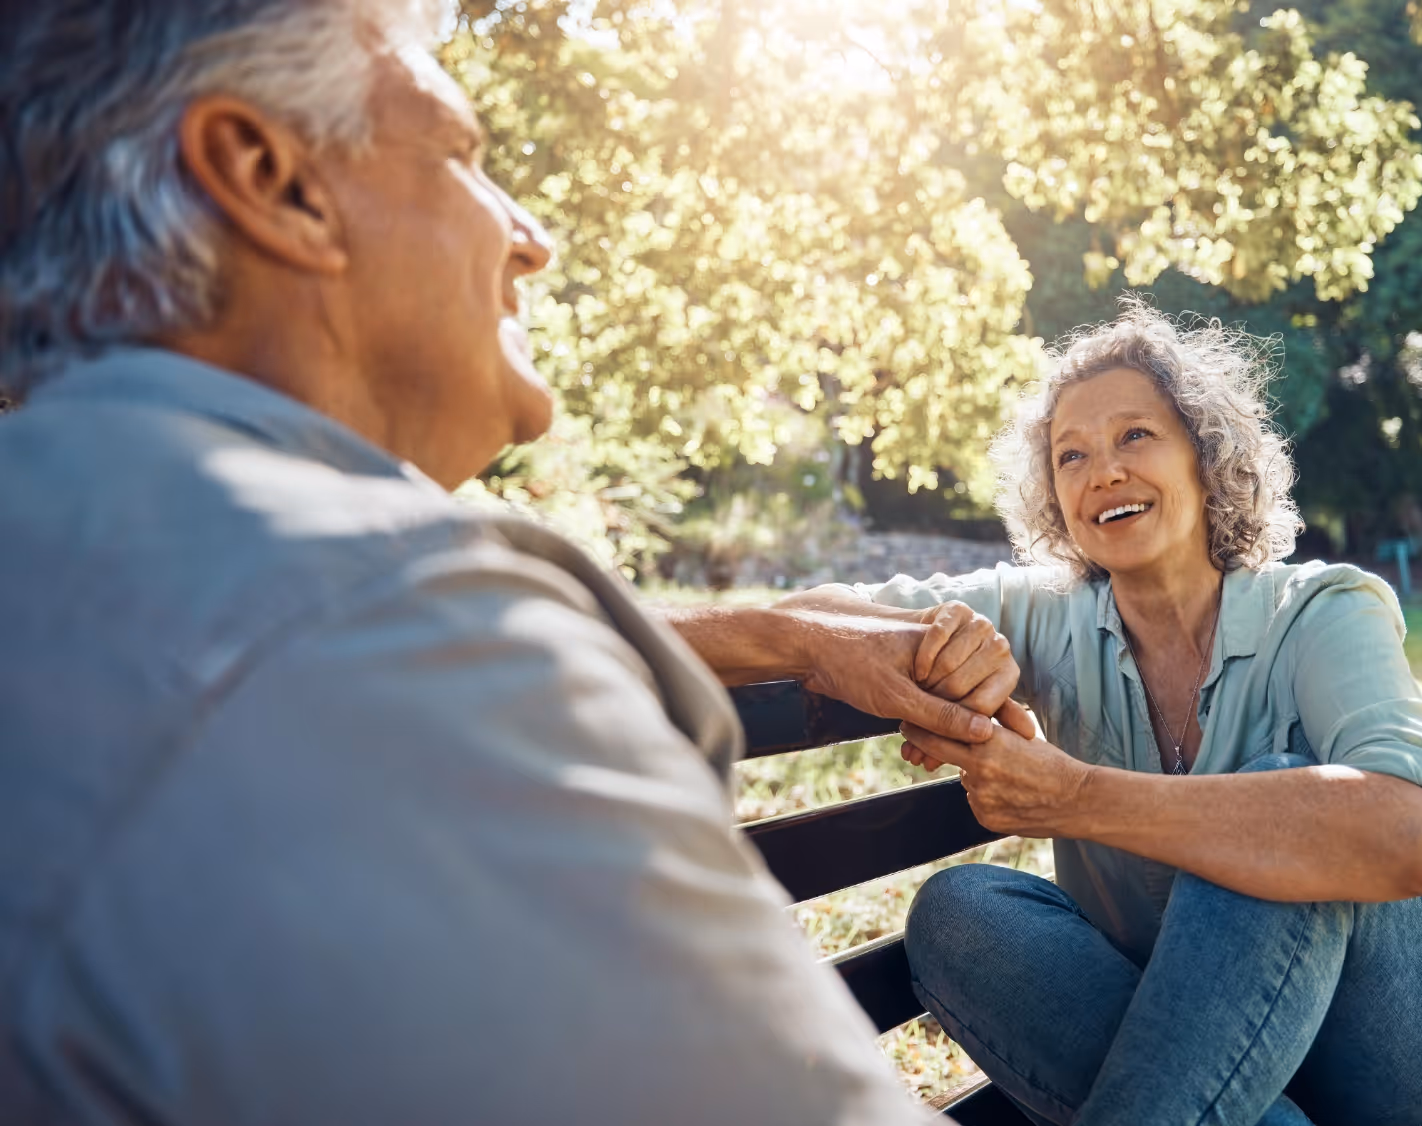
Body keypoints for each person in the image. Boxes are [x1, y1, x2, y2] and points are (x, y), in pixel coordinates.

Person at [0, 3, 1017, 1122]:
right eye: (458, 152)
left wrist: (783, 635)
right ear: (271, 180)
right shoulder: (398, 629)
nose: (531, 237)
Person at [784, 303, 1422, 1125]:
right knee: (963, 913)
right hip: (1231, 1076)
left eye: (1135, 436)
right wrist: (910, 650)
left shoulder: (1321, 609)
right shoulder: (1042, 616)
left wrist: (1074, 797)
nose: (1102, 472)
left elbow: (1416, 835)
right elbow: (821, 616)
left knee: (1275, 820)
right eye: (1070, 455)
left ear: (1205, 457)